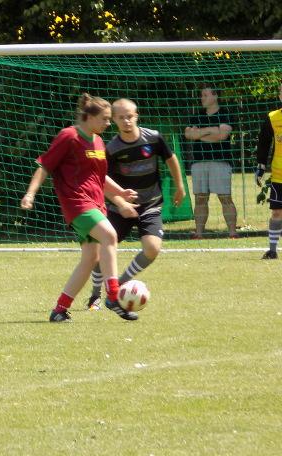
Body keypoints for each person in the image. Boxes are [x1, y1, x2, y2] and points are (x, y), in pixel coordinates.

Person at [21, 93, 140, 322]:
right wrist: (30, 193)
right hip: (76, 202)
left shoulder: (98, 141)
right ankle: (113, 296)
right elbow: (44, 166)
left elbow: (100, 178)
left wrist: (121, 194)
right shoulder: (69, 136)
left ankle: (60, 310)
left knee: (90, 258)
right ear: (89, 117)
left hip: (96, 203)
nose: (108, 123)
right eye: (104, 119)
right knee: (110, 235)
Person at [86, 99, 186, 309]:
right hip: (119, 208)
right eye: (121, 117)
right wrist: (121, 203)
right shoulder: (111, 148)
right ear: (114, 120)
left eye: (130, 116)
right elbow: (103, 181)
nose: (126, 121)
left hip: (150, 204)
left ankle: (118, 287)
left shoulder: (154, 137)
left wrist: (179, 186)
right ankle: (95, 295)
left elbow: (171, 159)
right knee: (101, 251)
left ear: (137, 116)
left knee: (152, 248)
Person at [184, 86, 238, 239]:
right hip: (199, 162)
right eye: (201, 95)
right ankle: (199, 233)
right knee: (200, 198)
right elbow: (189, 134)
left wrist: (200, 133)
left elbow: (222, 136)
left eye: (205, 95)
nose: (202, 98)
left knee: (225, 197)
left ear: (215, 96)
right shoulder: (197, 115)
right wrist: (211, 130)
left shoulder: (225, 114)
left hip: (220, 161)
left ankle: (232, 232)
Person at [255, 83, 282, 260]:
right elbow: (264, 143)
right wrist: (261, 167)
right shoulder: (273, 118)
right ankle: (272, 250)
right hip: (279, 177)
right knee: (277, 212)